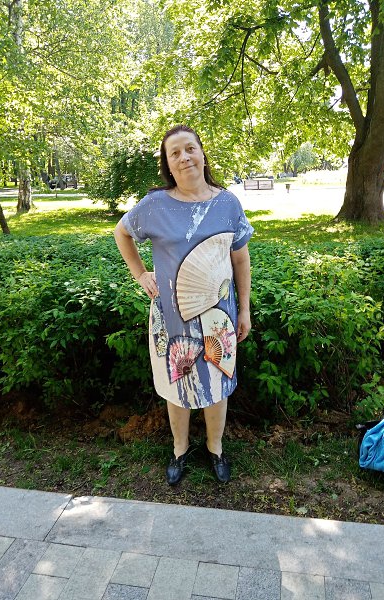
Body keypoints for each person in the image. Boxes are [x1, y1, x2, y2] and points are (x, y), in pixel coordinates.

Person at [114, 125, 254, 485]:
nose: (184, 157)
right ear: (168, 164)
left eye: (190, 148)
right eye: (174, 153)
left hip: (219, 318)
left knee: (218, 381)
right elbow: (122, 232)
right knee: (175, 383)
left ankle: (215, 448)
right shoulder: (155, 205)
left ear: (202, 153)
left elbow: (240, 260)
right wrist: (140, 273)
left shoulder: (227, 203)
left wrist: (244, 309)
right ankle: (179, 449)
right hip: (171, 320)